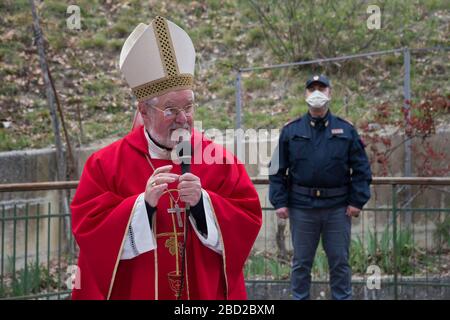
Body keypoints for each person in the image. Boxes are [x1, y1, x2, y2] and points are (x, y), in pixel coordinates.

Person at [71, 16, 262, 300]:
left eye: (188, 106)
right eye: (171, 109)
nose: (183, 118)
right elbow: (89, 230)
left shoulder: (219, 160)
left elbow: (247, 217)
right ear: (144, 111)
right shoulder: (105, 165)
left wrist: (203, 204)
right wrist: (142, 206)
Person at [268, 74, 372, 300]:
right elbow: (276, 169)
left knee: (339, 263)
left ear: (329, 93)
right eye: (312, 88)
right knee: (301, 265)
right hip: (302, 208)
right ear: (305, 94)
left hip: (337, 208)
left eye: (321, 88)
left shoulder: (346, 130)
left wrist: (357, 201)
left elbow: (362, 169)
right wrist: (279, 201)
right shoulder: (291, 131)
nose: (316, 92)